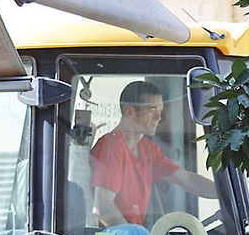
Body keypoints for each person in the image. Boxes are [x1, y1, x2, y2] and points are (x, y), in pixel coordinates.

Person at [89, 80, 218, 227]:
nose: (159, 117)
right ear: (129, 112)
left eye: (160, 110)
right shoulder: (111, 147)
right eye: (151, 110)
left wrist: (224, 194)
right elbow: (103, 208)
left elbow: (187, 179)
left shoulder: (147, 149)